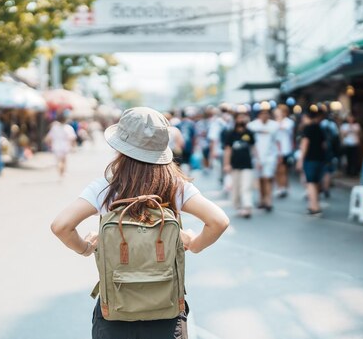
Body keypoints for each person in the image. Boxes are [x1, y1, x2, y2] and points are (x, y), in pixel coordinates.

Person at [49, 107, 229, 339]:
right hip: (166, 310)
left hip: (116, 309)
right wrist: (194, 243)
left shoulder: (105, 187)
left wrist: (86, 248)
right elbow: (219, 221)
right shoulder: (175, 185)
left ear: (120, 147)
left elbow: (61, 226)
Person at [224, 112, 259, 218]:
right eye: (239, 118)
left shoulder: (249, 133)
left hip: (247, 164)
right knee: (236, 187)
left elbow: (253, 147)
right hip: (234, 165)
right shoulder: (231, 133)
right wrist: (226, 164)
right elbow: (228, 150)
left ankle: (247, 207)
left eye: (243, 118)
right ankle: (238, 206)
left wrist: (258, 160)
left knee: (246, 186)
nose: (241, 120)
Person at [248, 108, 279, 211]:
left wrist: (279, 156)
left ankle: (268, 200)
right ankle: (262, 199)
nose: (265, 116)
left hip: (270, 156)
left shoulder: (274, 125)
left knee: (268, 178)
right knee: (260, 179)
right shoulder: (252, 126)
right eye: (262, 114)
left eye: (267, 113)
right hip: (257, 157)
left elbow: (277, 141)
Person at [297, 109, 325, 215]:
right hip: (320, 159)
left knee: (310, 183)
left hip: (310, 159)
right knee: (316, 182)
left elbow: (305, 144)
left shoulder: (307, 129)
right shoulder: (319, 128)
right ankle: (314, 204)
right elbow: (324, 144)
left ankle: (314, 207)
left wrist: (300, 160)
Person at [274, 105, 295, 198]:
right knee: (277, 170)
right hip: (275, 150)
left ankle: (283, 188)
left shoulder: (288, 122)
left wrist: (278, 118)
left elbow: (280, 127)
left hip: (285, 150)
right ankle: (280, 187)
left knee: (283, 170)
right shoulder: (274, 122)